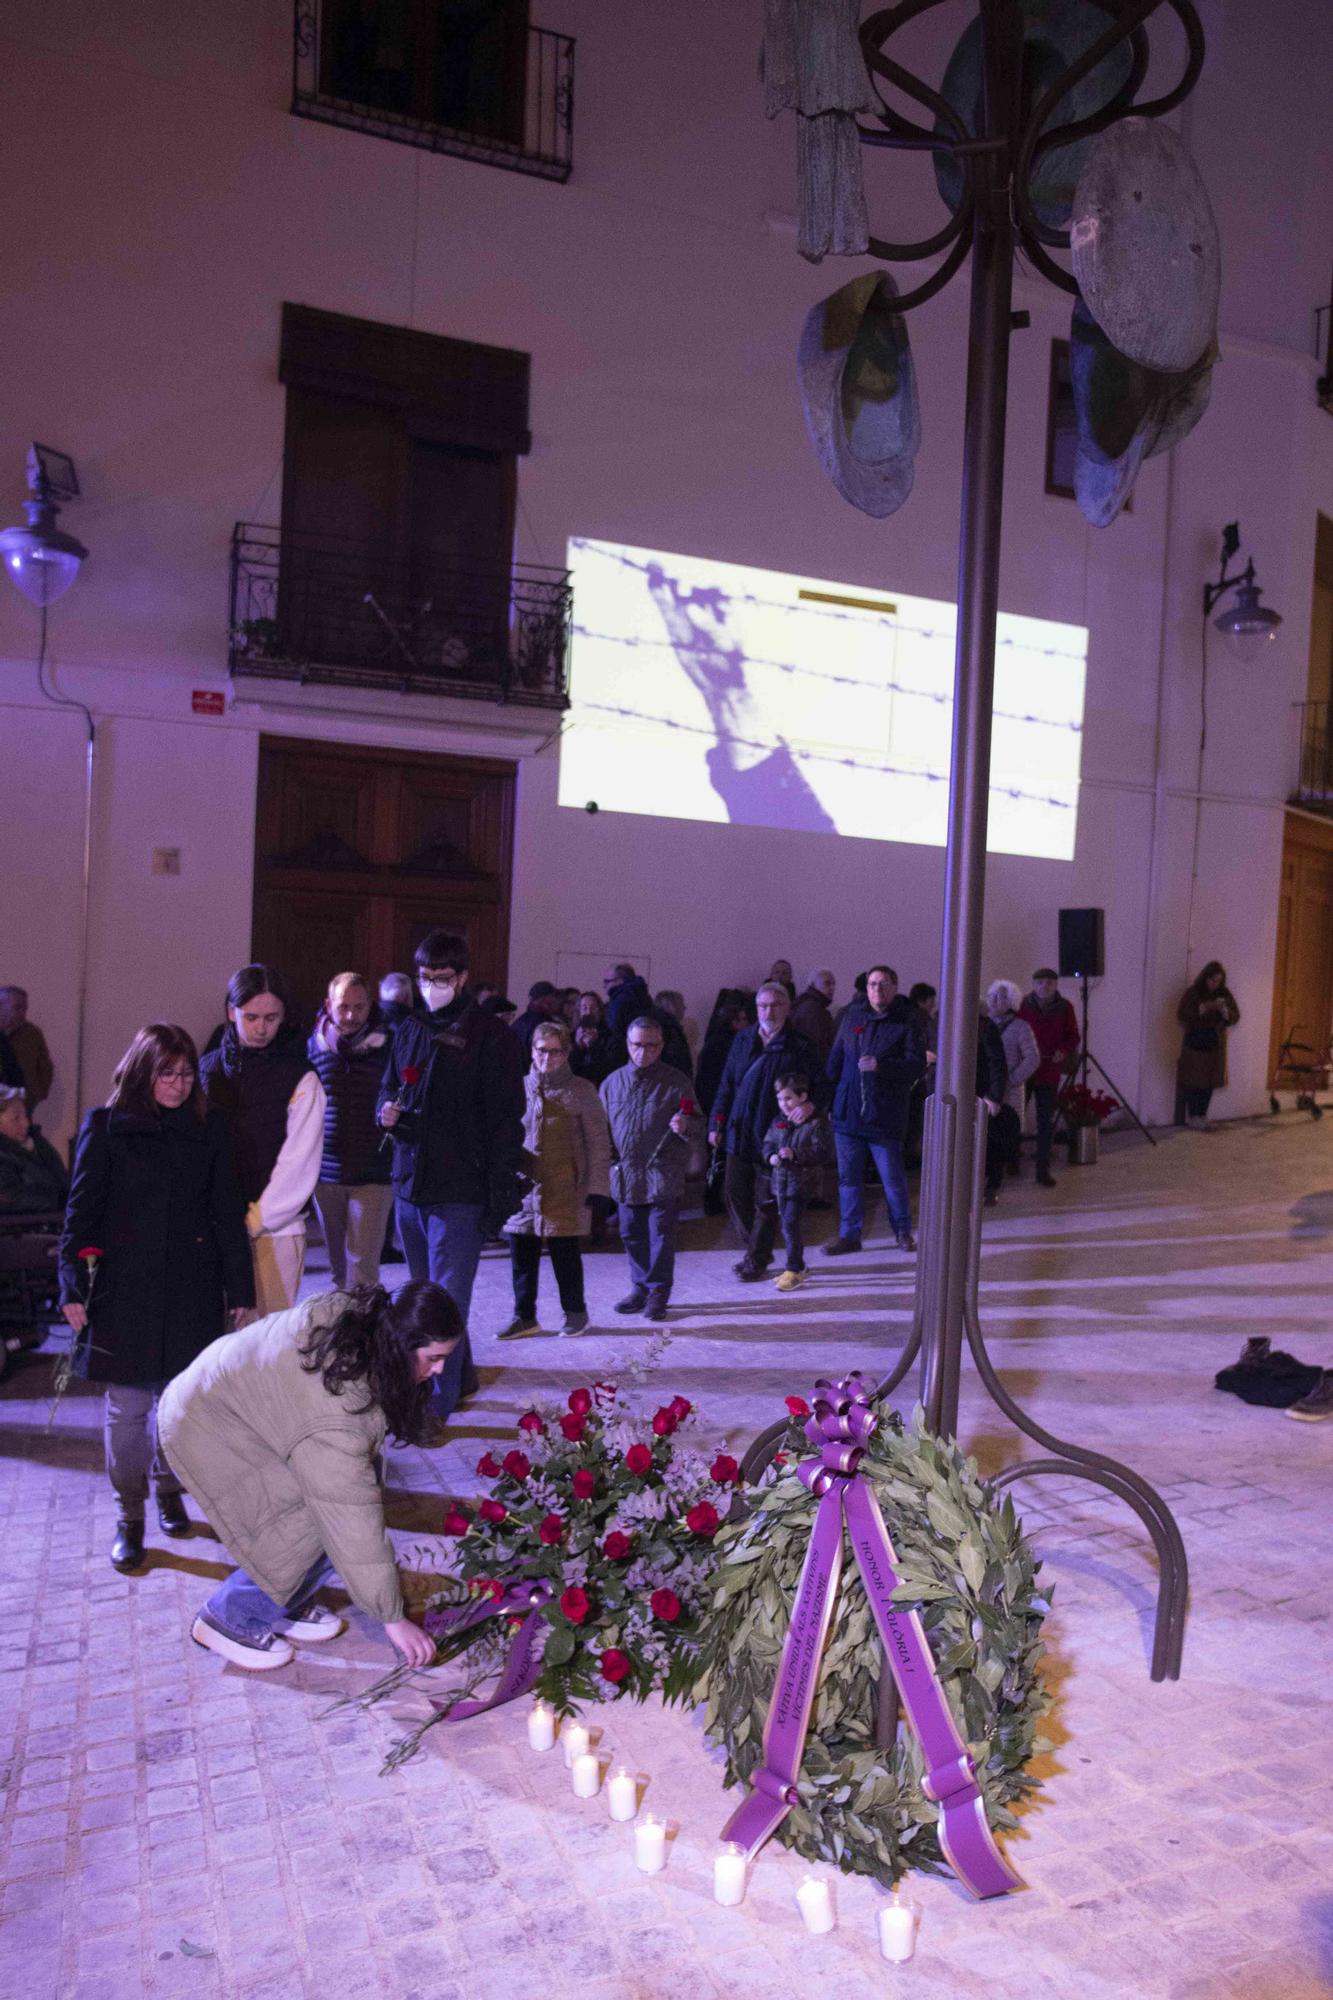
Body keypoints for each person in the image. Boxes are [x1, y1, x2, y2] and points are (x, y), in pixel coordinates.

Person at [158, 1282, 455, 1672]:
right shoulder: (333, 1411)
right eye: (433, 1357)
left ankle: (287, 1602)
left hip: (226, 1405)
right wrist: (392, 1616)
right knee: (314, 1520)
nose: (440, 1370)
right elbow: (349, 1516)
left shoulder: (364, 1327)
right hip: (205, 1427)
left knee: (339, 1501)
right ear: (401, 1343)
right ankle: (229, 1618)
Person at [59, 1024, 254, 1572]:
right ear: (143, 1070)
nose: (177, 1083)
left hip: (192, 1287)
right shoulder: (107, 1127)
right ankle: (129, 1514)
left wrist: (238, 1289)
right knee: (127, 1409)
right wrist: (72, 1284)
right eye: (166, 1072)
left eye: (186, 1072)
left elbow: (225, 1213)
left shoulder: (208, 1125)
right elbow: (81, 1215)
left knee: (180, 1405)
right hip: (126, 1292)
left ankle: (169, 1490)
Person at [378, 929, 524, 1416]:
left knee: (446, 1303)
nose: (432, 985)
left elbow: (506, 1121)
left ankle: (432, 1407)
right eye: (425, 977)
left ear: (462, 977)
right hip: (411, 1184)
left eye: (442, 978)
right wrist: (387, 1112)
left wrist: (499, 1195)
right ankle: (461, 1380)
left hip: (460, 1188)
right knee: (424, 1301)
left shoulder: (491, 1036)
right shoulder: (410, 1027)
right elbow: (389, 1086)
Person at [199, 966, 326, 1315]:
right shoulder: (208, 1069)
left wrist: (256, 1220)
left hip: (276, 1230)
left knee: (263, 1343)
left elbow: (299, 1160)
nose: (260, 1027)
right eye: (250, 1016)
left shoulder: (300, 1076)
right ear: (231, 1012)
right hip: (216, 1226)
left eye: (271, 1018)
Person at [500, 1020, 611, 1339]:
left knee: (565, 1255)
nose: (548, 1058)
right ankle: (524, 1316)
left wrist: (597, 1186)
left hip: (565, 1187)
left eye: (556, 1051)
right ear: (532, 1050)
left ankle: (576, 1313)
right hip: (523, 1190)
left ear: (567, 1053)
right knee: (522, 1255)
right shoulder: (518, 1087)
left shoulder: (581, 1090)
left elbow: (598, 1141)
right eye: (541, 1050)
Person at [710, 982, 821, 1281]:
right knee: (733, 1191)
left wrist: (812, 1105)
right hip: (739, 1129)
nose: (768, 1011)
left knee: (765, 1200)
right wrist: (716, 1122)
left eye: (775, 1005)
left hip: (776, 1134)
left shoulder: (800, 1045)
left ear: (787, 1007)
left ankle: (756, 1258)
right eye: (763, 1005)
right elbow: (726, 1084)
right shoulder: (743, 1039)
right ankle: (756, 1248)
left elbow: (822, 1084)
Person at [600, 1016, 699, 1320]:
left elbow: (697, 1121)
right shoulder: (612, 1082)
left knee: (660, 1233)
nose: (643, 1052)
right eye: (637, 1045)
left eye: (650, 1045)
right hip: (625, 1172)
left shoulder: (676, 1082)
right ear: (628, 1045)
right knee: (631, 1232)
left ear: (661, 1046)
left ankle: (658, 1291)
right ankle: (640, 1287)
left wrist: (686, 1125)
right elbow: (599, 1126)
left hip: (661, 1171)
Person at [824, 965, 926, 1255]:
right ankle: (849, 1235)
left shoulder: (907, 1022)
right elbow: (834, 1063)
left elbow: (916, 1066)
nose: (876, 990)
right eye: (871, 984)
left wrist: (883, 1067)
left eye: (883, 984)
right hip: (848, 1112)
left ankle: (903, 1231)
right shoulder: (850, 1018)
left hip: (884, 1114)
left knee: (892, 1178)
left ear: (894, 988)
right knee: (848, 1178)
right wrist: (830, 1102)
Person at [307, 972, 394, 1293]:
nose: (351, 1015)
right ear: (329, 1005)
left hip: (373, 1172)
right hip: (326, 1173)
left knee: (363, 1270)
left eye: (359, 1007)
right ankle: (343, 1333)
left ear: (370, 1006)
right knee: (338, 1270)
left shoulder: (389, 1045)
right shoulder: (313, 1047)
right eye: (344, 1007)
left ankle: (366, 1338)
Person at [762, 1072, 834, 1292]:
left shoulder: (815, 1123)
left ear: (803, 1097)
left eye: (789, 1098)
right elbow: (768, 1143)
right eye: (780, 1099)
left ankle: (793, 1268)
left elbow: (821, 1152)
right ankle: (799, 1266)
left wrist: (796, 1154)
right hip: (781, 1183)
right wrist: (770, 1156)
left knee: (791, 1224)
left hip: (802, 1183)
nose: (784, 1104)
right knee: (786, 1224)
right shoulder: (778, 1121)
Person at [1020, 968, 1081, 1188]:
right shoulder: (1022, 1006)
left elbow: (1073, 1036)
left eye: (1049, 982)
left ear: (1056, 985)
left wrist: (1063, 1051)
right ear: (1033, 985)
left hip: (1049, 1071)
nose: (1044, 986)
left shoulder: (1065, 1008)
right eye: (1040, 982)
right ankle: (1012, 1160)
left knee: (1045, 1122)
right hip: (1025, 1071)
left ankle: (1042, 1170)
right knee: (1016, 1118)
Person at [984, 982, 1041, 1203]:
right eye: (991, 996)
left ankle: (994, 1184)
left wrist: (1012, 1080)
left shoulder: (1021, 1027)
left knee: (1002, 1139)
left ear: (1010, 1001)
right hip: (987, 1092)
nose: (992, 1001)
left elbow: (1032, 1058)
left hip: (1011, 1093)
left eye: (998, 997)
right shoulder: (983, 1025)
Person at [1176, 962, 1240, 1130]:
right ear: (1205, 977)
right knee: (1194, 1080)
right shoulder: (1194, 992)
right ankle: (1193, 1116)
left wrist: (1224, 1011)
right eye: (1212, 980)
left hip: (1215, 1042)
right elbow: (1182, 1014)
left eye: (1219, 981)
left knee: (1209, 1081)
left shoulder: (1224, 993)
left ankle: (1203, 1115)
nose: (1215, 984)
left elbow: (1235, 1016)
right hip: (1196, 1041)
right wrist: (1203, 1008)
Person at [604, 963, 693, 1078]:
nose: (604, 986)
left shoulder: (619, 1006)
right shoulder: (649, 1007)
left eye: (607, 981)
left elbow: (616, 1047)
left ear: (620, 981)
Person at [0, 1083, 68, 1212]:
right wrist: (60, 1200)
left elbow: (63, 1181)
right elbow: (10, 1198)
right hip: (26, 1229)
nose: (26, 1123)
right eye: (16, 1118)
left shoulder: (38, 1143)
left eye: (25, 1116)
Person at [0, 987, 54, 1111]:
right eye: (17, 1008)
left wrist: (35, 1094)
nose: (23, 1013)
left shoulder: (31, 1034)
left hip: (22, 1106)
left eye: (25, 1008)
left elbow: (45, 1068)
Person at [511, 980, 568, 1069]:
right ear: (545, 1000)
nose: (557, 1002)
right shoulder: (547, 1026)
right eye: (554, 997)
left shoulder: (518, 1023)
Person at [789, 969, 838, 1063]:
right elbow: (818, 1046)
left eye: (833, 984)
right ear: (813, 985)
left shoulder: (806, 1004)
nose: (832, 988)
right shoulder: (813, 1009)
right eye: (827, 983)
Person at [570, 990, 616, 1088]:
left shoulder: (610, 1037)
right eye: (584, 1008)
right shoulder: (570, 1036)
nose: (589, 1012)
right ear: (579, 1011)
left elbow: (608, 1069)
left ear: (600, 1011)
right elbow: (568, 1069)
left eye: (593, 1008)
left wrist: (594, 1046)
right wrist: (578, 1047)